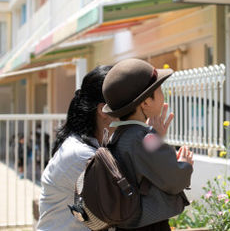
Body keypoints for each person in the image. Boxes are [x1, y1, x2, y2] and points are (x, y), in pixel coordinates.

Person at [102, 58, 193, 231]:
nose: (163, 95)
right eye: (159, 91)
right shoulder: (145, 139)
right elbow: (174, 177)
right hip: (150, 225)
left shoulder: (117, 136)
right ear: (145, 103)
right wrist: (185, 164)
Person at [37, 65, 113, 231]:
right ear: (104, 110)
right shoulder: (82, 155)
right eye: (128, 103)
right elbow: (127, 203)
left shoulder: (87, 144)